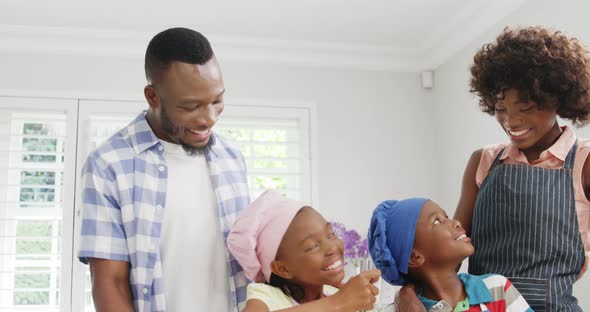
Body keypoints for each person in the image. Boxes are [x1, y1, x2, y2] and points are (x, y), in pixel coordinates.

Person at [78, 27, 250, 312]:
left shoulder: (231, 158)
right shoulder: (109, 164)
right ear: (153, 96)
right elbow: (110, 284)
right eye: (191, 106)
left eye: (217, 101)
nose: (208, 118)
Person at [453, 26, 590, 311]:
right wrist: (417, 294)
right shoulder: (484, 162)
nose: (511, 121)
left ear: (557, 98)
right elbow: (451, 251)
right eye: (501, 107)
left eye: (525, 107)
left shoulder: (584, 162)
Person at [227, 190, 381, 311]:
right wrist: (338, 303)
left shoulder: (333, 292)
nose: (332, 248)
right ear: (283, 269)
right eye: (313, 246)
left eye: (331, 234)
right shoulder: (266, 296)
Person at [369, 198, 533, 311]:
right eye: (437, 221)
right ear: (414, 257)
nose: (456, 222)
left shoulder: (496, 289)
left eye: (446, 216)